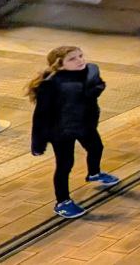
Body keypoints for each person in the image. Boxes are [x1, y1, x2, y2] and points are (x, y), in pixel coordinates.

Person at [29, 46, 120, 219]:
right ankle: (62, 201)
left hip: (85, 125)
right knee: (65, 165)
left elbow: (96, 86)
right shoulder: (50, 85)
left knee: (97, 148)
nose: (80, 60)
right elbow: (41, 114)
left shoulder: (89, 73)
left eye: (80, 56)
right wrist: (38, 142)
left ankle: (94, 173)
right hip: (61, 131)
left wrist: (95, 89)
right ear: (59, 65)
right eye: (72, 59)